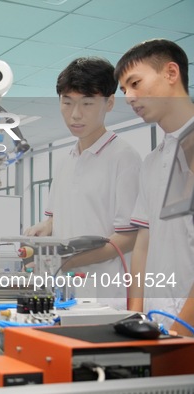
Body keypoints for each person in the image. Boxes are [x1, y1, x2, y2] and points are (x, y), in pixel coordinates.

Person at [25, 57, 141, 309]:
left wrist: (67, 262)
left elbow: (128, 237)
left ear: (109, 103)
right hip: (67, 289)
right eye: (67, 103)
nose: (75, 114)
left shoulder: (124, 157)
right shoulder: (67, 159)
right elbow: (57, 216)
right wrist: (45, 227)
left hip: (106, 293)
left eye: (87, 103)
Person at [115, 39, 194, 335]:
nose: (129, 97)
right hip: (158, 322)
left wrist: (182, 331)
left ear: (171, 73)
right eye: (124, 90)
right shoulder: (152, 163)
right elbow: (143, 244)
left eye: (135, 83)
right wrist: (135, 314)